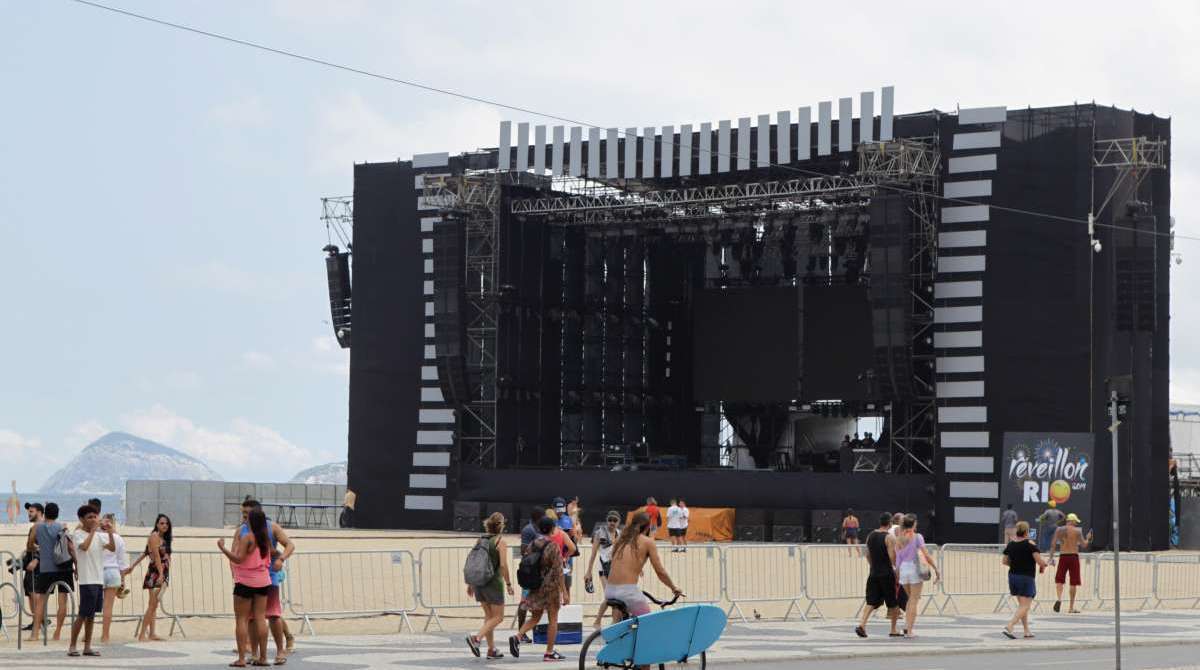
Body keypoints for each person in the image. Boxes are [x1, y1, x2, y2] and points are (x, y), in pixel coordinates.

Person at [236, 499, 297, 664]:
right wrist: (235, 573)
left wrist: (281, 559)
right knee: (251, 618)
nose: (244, 517)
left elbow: (290, 545)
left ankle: (280, 651)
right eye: (243, 513)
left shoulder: (272, 527)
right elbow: (237, 553)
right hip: (246, 579)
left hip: (269, 577)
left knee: (273, 615)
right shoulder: (241, 530)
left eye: (247, 513)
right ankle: (255, 653)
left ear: (257, 513)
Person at [604, 511, 683, 624]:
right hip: (627, 592)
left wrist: (636, 566)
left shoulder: (621, 539)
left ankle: (615, 630)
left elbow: (615, 560)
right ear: (647, 526)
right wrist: (673, 588)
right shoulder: (648, 542)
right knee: (647, 623)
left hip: (610, 590)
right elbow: (660, 571)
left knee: (618, 624)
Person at [509, 515, 570, 662]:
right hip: (550, 588)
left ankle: (517, 636)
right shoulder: (553, 546)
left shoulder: (533, 544)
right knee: (553, 619)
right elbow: (559, 571)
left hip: (535, 585)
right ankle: (549, 652)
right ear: (552, 529)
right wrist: (565, 592)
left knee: (535, 617)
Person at [219, 508, 272, 668]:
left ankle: (242, 658)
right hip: (263, 580)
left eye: (248, 517)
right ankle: (263, 657)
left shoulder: (247, 537)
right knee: (260, 618)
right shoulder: (265, 538)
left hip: (245, 581)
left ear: (252, 520)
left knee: (241, 619)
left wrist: (223, 548)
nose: (245, 520)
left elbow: (238, 559)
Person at [465, 512, 513, 660]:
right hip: (493, 583)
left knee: (489, 617)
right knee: (498, 617)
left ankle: (491, 649)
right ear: (502, 526)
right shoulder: (500, 542)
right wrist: (509, 584)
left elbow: (474, 561)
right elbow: (503, 565)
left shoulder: (480, 539)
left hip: (479, 582)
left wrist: (471, 583)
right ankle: (476, 638)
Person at [68, 504, 114, 657]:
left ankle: (87, 647)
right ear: (81, 519)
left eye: (95, 517)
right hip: (87, 580)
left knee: (92, 615)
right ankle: (72, 646)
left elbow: (112, 548)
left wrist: (110, 532)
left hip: (98, 579)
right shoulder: (78, 534)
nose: (93, 520)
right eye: (89, 517)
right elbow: (84, 547)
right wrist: (94, 531)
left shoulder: (99, 536)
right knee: (83, 614)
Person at [855, 512, 907, 638]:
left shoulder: (870, 535)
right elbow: (892, 557)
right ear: (890, 523)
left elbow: (867, 554)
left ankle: (862, 625)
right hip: (887, 574)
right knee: (893, 603)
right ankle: (893, 629)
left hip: (874, 573)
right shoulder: (889, 537)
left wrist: (873, 565)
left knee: (871, 601)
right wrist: (898, 570)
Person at [29, 501, 74, 642]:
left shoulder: (37, 527)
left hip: (46, 568)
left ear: (44, 513)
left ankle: (35, 634)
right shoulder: (62, 527)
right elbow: (70, 547)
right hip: (63, 567)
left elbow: (30, 545)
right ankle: (57, 632)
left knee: (41, 601)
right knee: (62, 601)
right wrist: (77, 565)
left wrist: (38, 548)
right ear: (57, 514)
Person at [893, 514, 938, 637]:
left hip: (903, 569)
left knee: (910, 599)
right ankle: (909, 630)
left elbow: (898, 559)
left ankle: (906, 626)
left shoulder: (898, 539)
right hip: (914, 568)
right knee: (914, 600)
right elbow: (926, 554)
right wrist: (935, 568)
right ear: (914, 524)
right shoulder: (917, 537)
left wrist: (897, 573)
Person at [128, 513, 172, 642]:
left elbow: (145, 552)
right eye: (162, 523)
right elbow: (156, 557)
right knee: (152, 605)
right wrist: (161, 574)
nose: (165, 525)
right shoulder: (154, 536)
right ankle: (142, 634)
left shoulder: (164, 538)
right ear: (157, 524)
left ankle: (152, 633)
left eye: (166, 523)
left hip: (162, 572)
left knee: (154, 605)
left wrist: (133, 566)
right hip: (156, 573)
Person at [1002, 521, 1048, 639]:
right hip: (1026, 577)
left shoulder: (1011, 544)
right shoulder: (1030, 545)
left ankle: (1026, 630)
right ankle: (1010, 626)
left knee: (1022, 605)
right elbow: (1039, 561)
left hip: (1013, 576)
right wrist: (1045, 564)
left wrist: (1016, 564)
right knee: (1025, 606)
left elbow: (1005, 561)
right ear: (1027, 532)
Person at [1048, 513, 1094, 614]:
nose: (1076, 524)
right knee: (1073, 582)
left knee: (1059, 580)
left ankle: (1059, 599)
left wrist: (1051, 558)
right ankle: (1071, 607)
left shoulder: (1059, 530)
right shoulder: (1077, 531)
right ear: (1072, 521)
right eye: (1076, 522)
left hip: (1063, 556)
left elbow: (1053, 544)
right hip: (1073, 556)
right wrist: (1088, 538)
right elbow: (1084, 545)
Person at [584, 511, 622, 629]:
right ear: (607, 521)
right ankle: (598, 621)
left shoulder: (619, 533)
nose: (612, 522)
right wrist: (588, 571)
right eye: (610, 520)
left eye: (615, 520)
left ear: (618, 522)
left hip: (616, 568)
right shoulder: (599, 533)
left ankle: (615, 622)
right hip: (604, 569)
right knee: (610, 596)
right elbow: (593, 554)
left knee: (617, 597)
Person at [98, 513, 130, 644]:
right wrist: (123, 580)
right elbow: (122, 563)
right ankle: (105, 636)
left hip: (97, 572)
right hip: (113, 572)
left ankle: (85, 634)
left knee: (91, 605)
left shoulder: (97, 536)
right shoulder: (119, 539)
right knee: (108, 607)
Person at [515, 506, 546, 639]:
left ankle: (534, 629)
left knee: (537, 600)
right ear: (538, 517)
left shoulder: (540, 528)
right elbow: (523, 550)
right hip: (529, 571)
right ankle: (521, 631)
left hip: (538, 570)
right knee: (524, 601)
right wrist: (537, 547)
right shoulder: (528, 530)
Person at [20, 502, 43, 633]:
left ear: (39, 512)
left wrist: (36, 559)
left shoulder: (40, 526)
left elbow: (44, 546)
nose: (29, 514)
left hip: (36, 564)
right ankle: (36, 620)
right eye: (28, 511)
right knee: (30, 591)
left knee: (34, 592)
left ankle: (39, 621)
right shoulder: (36, 526)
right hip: (32, 562)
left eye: (31, 511)